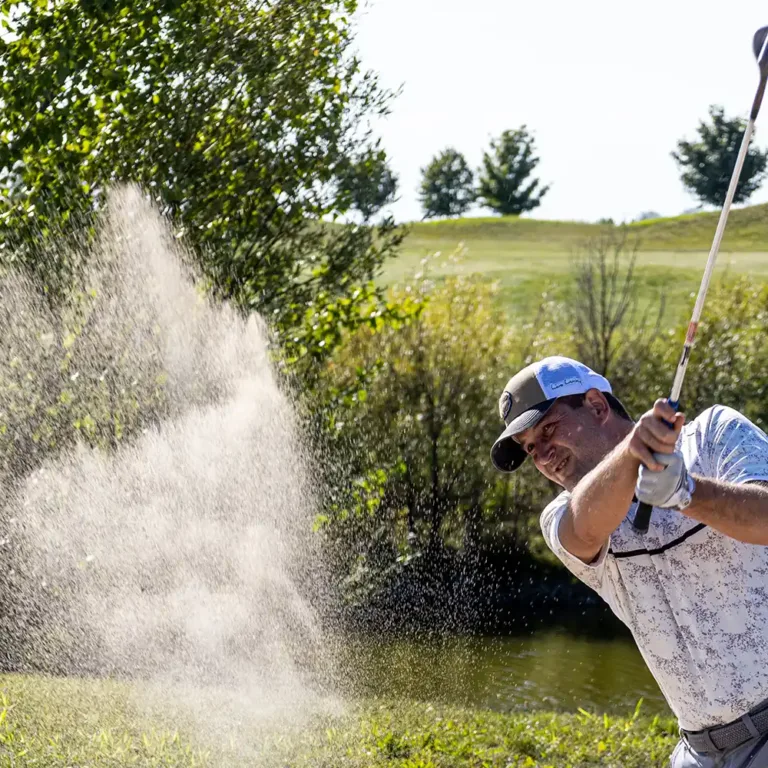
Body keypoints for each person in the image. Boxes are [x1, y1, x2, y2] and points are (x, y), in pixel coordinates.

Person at [490, 355, 768, 768]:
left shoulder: (711, 434)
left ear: (597, 406)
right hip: (700, 751)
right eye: (531, 449)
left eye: (548, 430)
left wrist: (687, 492)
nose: (543, 456)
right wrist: (630, 456)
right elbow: (584, 530)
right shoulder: (563, 516)